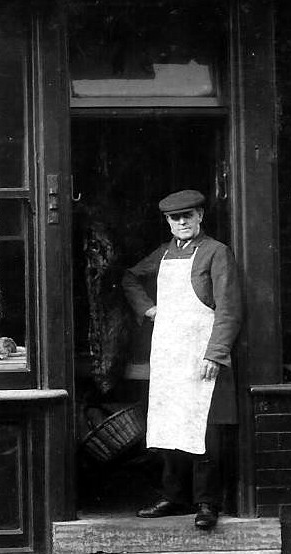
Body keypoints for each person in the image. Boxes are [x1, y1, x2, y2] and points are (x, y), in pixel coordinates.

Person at [121, 189, 242, 530]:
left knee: (204, 430)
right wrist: (148, 308)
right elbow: (130, 278)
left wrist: (216, 353)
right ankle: (173, 496)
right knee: (170, 425)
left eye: (188, 216)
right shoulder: (163, 253)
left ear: (200, 216)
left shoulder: (217, 253)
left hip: (201, 354)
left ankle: (207, 503)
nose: (182, 222)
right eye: (176, 218)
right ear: (168, 222)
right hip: (170, 354)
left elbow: (230, 309)